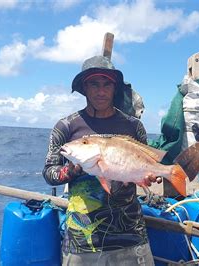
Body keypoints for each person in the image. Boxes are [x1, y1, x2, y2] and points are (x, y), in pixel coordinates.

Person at [42, 55, 159, 265]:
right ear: (84, 88)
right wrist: (75, 169)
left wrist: (148, 177)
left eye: (107, 84)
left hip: (130, 233)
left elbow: (143, 165)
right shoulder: (66, 126)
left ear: (115, 89)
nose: (101, 91)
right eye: (94, 84)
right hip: (82, 239)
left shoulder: (133, 127)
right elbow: (49, 173)